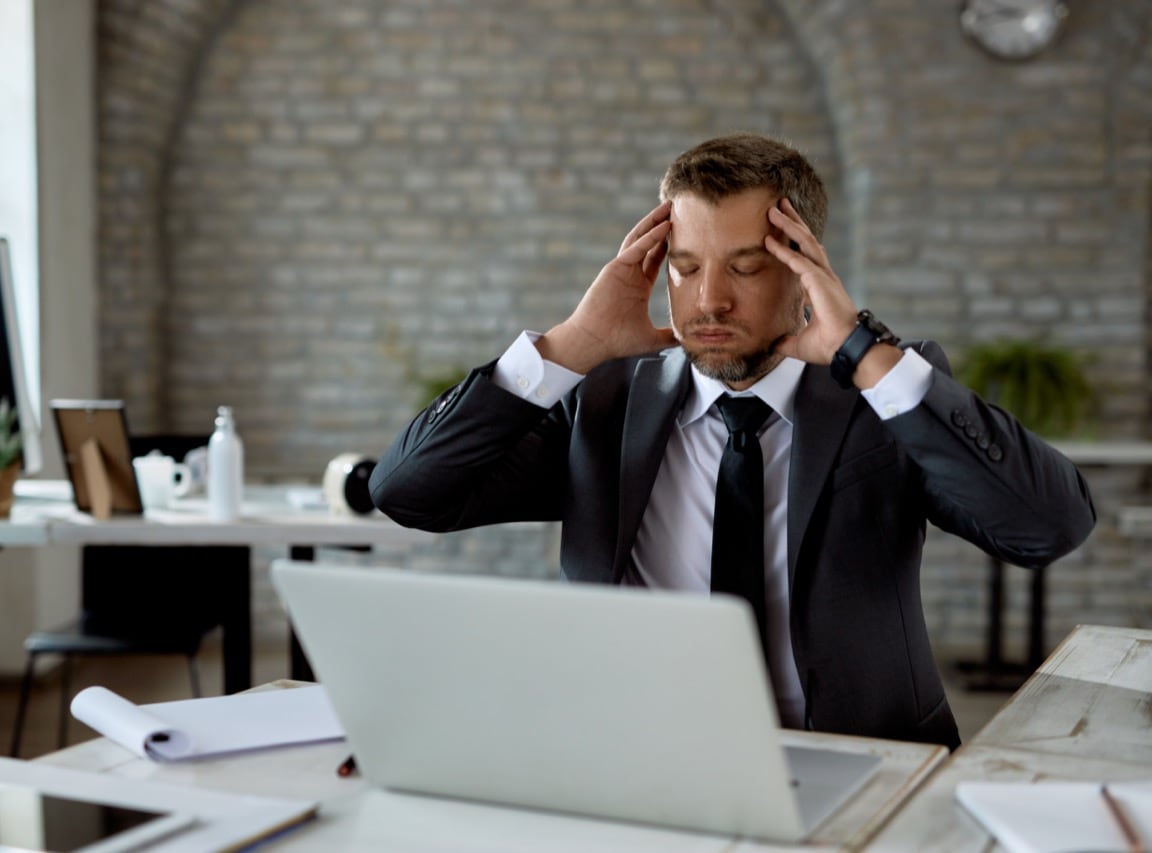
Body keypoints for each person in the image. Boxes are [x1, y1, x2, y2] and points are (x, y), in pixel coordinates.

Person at [368, 133, 1095, 750]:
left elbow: (1046, 526)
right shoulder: (605, 398)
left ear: (806, 266)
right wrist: (571, 345)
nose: (709, 298)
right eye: (685, 268)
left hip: (859, 762)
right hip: (634, 757)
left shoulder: (880, 395)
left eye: (745, 268)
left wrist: (866, 355)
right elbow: (408, 492)